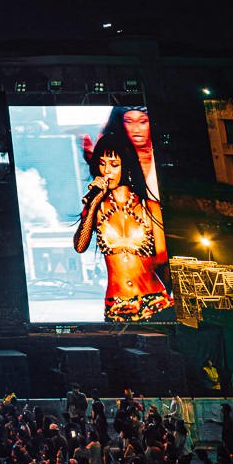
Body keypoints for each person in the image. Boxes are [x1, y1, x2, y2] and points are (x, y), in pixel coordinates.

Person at [72, 128, 173, 321]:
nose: (106, 171)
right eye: (102, 164)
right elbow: (80, 246)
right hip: (117, 305)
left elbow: (161, 258)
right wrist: (93, 203)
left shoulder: (149, 207)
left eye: (114, 164)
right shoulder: (96, 207)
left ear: (126, 167)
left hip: (156, 302)